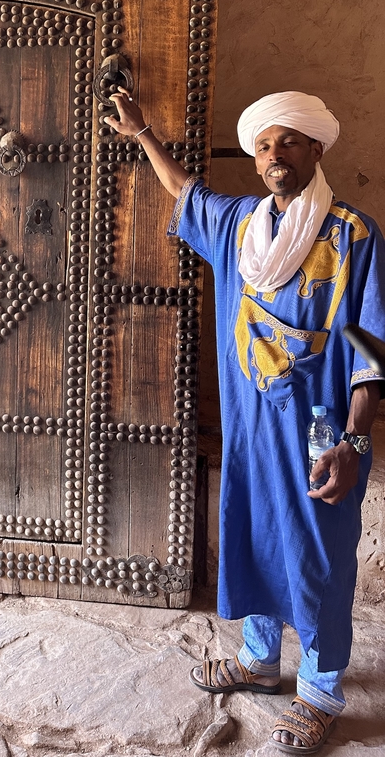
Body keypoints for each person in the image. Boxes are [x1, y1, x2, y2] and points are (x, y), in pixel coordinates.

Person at [105, 89, 385, 754]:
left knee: (317, 558)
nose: (275, 154)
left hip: (321, 435)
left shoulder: (354, 234)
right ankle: (260, 661)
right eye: (264, 145)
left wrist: (354, 439)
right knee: (254, 539)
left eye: (288, 141)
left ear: (316, 149)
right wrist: (143, 132)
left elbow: (373, 343)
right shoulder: (239, 226)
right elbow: (183, 189)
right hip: (251, 428)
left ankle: (319, 694)